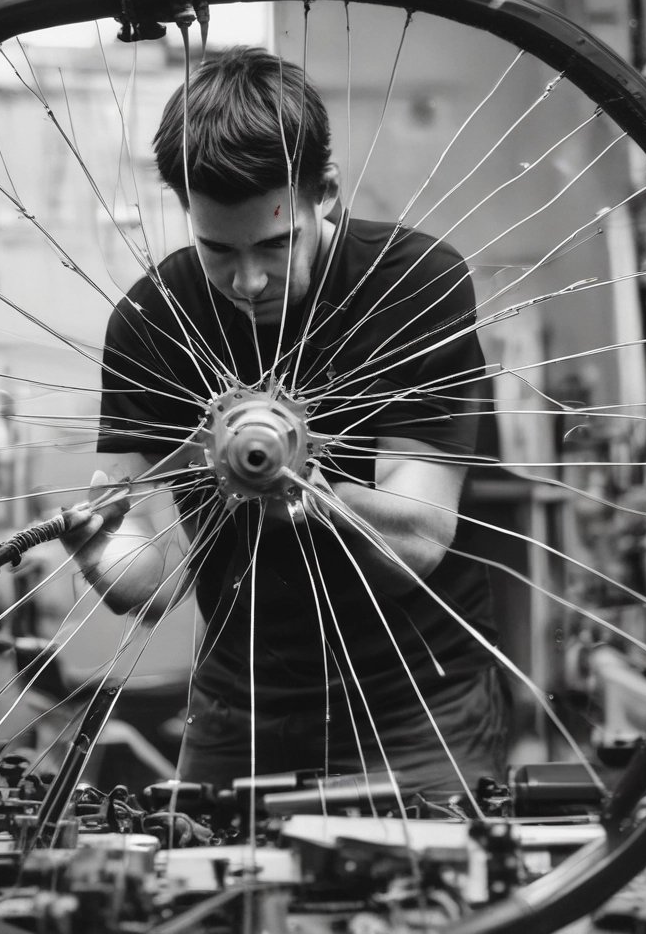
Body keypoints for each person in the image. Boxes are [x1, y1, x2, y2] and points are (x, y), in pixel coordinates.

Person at [63, 45, 510, 798]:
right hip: (237, 704)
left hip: (415, 704)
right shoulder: (153, 318)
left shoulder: (414, 286)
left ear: (324, 192)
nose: (247, 280)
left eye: (277, 244)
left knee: (437, 877)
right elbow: (153, 582)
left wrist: (305, 492)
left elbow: (417, 543)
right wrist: (100, 552)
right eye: (217, 249)